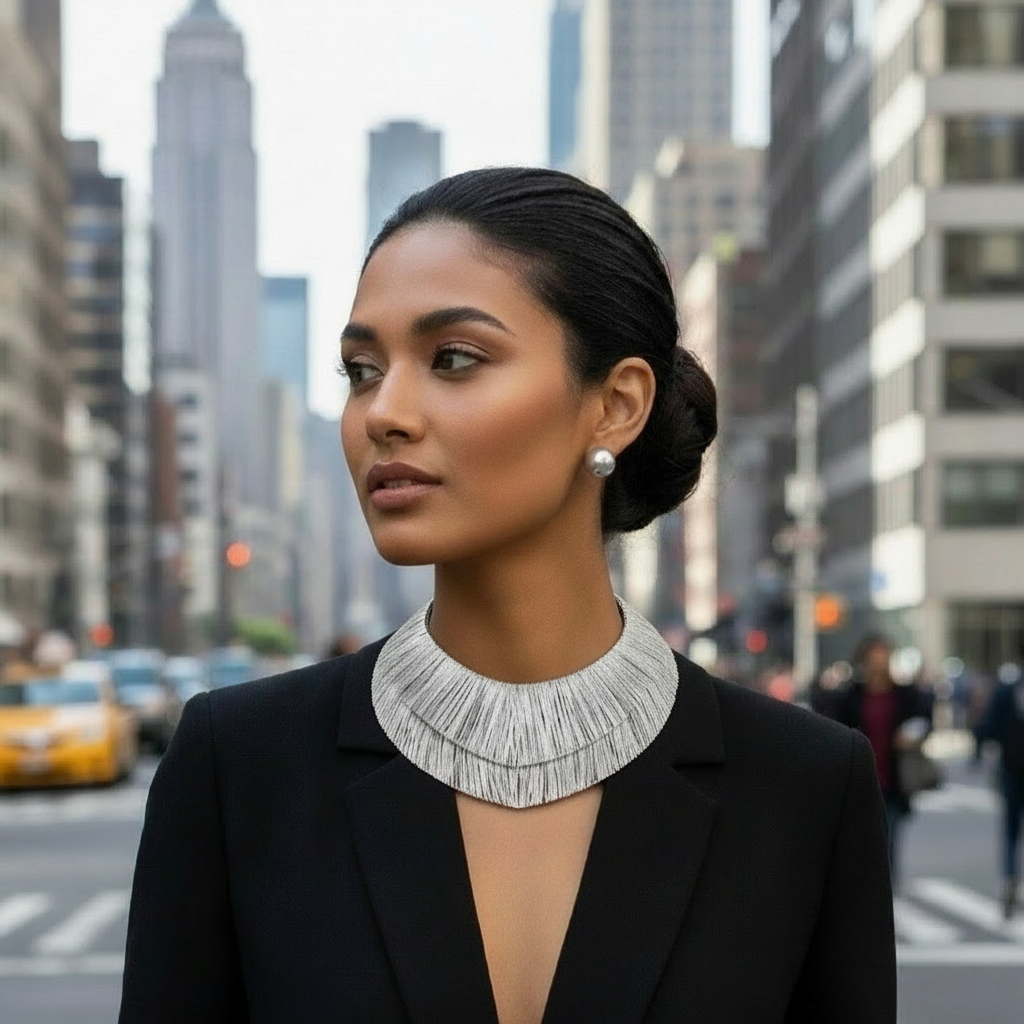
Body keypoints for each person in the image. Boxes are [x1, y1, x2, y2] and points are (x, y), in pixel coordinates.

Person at [119, 168, 895, 1023]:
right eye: (361, 369)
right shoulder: (237, 767)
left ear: (615, 404)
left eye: (454, 358)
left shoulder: (806, 786)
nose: (384, 411)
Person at [833, 632, 932, 889]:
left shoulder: (905, 695)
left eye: (883, 658)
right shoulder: (850, 696)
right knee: (859, 845)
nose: (879, 665)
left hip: (893, 781)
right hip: (860, 781)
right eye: (873, 659)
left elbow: (924, 720)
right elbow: (835, 729)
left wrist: (912, 734)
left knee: (888, 843)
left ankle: (884, 898)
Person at [973, 652, 1024, 920]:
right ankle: (1010, 880)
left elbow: (988, 726)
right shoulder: (1007, 689)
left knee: (1010, 830)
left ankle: (1010, 877)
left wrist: (979, 748)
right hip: (1012, 768)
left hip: (1012, 768)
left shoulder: (1006, 689)